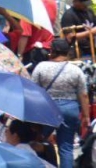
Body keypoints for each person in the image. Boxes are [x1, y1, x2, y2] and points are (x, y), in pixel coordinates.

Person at [32, 38, 90, 168]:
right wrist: (86, 116)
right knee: (66, 148)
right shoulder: (76, 70)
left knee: (37, 141)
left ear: (52, 51)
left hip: (47, 109)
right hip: (70, 109)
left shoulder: (41, 67)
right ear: (67, 52)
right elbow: (84, 95)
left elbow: (34, 91)